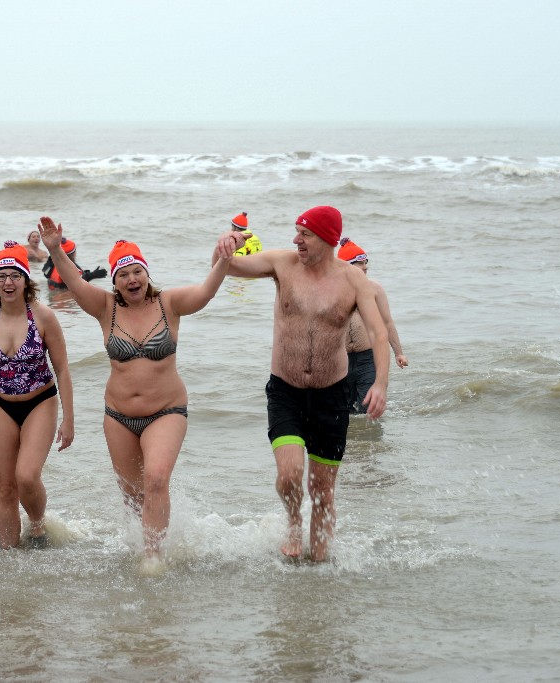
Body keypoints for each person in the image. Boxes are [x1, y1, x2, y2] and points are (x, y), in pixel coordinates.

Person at [39, 215, 237, 567]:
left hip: (167, 411)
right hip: (118, 417)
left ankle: (153, 556)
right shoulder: (105, 307)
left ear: (147, 274)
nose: (132, 279)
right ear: (115, 280)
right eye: (123, 274)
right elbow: (72, 279)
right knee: (132, 496)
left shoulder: (170, 304)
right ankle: (139, 544)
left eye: (137, 272)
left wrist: (224, 258)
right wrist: (54, 249)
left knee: (157, 479)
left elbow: (206, 291)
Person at [215, 206, 390, 563]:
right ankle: (294, 522)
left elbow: (378, 331)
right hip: (286, 391)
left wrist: (381, 384)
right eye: (296, 232)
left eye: (304, 234)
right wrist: (224, 248)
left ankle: (320, 565)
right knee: (290, 474)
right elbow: (229, 269)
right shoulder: (282, 264)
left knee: (323, 491)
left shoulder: (354, 281)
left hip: (332, 396)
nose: (296, 240)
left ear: (327, 239)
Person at [0, 241, 75, 549]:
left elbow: (63, 369)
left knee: (26, 476)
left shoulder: (43, 317)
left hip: (40, 401)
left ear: (26, 281)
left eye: (15, 276)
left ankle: (37, 526)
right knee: (5, 488)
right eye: (2, 276)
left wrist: (69, 419)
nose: (8, 283)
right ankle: (7, 558)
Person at [337, 239, 408, 414]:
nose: (365, 267)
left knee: (367, 410)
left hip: (367, 359)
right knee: (344, 412)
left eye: (365, 262)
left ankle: (371, 441)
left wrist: (398, 352)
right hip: (340, 359)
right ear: (345, 266)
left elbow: (387, 322)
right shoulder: (331, 291)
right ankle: (352, 442)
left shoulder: (374, 289)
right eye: (359, 263)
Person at [42, 236, 107, 290]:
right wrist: (94, 274)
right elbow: (79, 281)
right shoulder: (68, 267)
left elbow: (46, 274)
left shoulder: (52, 263)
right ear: (73, 254)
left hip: (53, 297)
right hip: (64, 298)